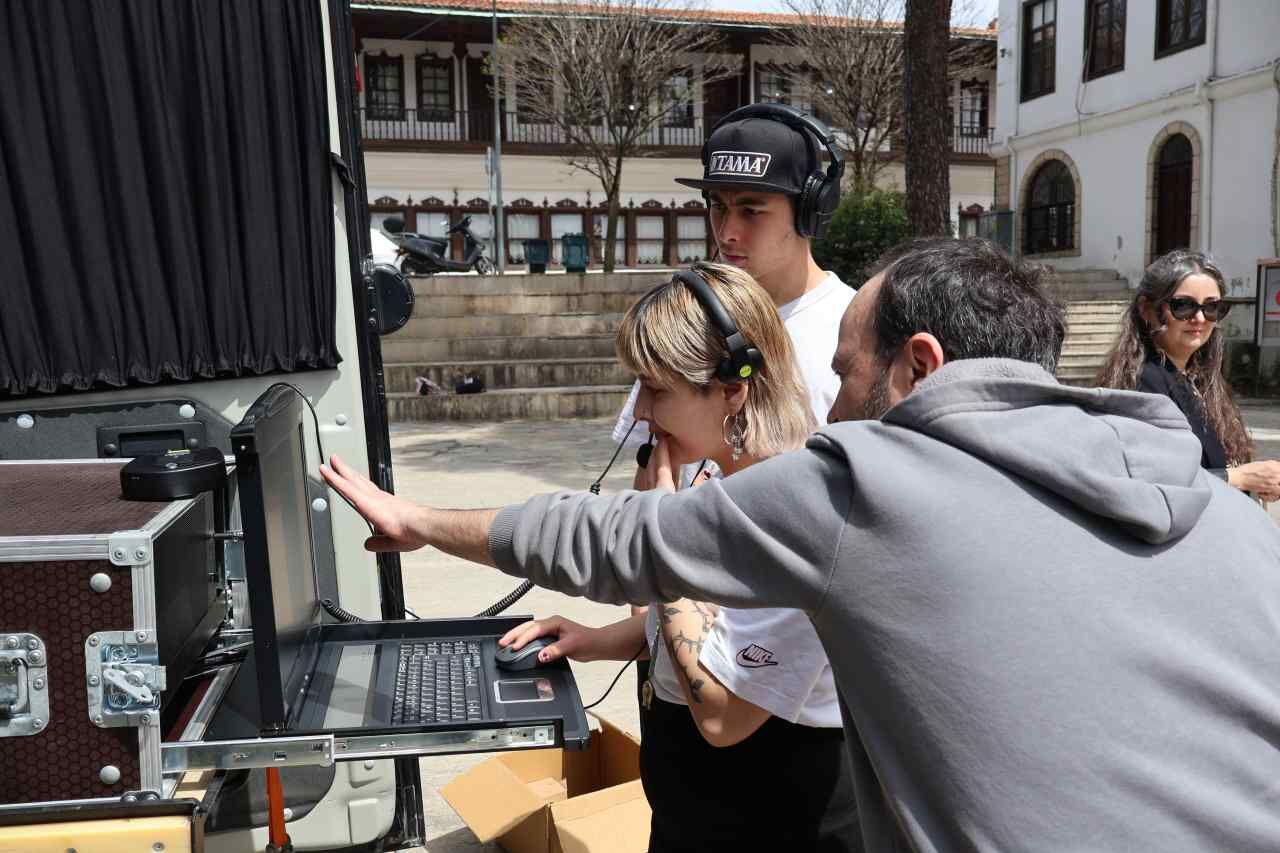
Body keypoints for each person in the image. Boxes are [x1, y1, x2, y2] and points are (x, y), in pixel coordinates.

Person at [322, 238, 1280, 851]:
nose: (837, 405)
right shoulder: (1215, 509)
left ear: (922, 365)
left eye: (848, 373)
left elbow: (611, 541)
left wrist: (417, 523)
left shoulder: (869, 490)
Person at [504, 262, 859, 851]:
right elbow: (713, 623)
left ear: (733, 389)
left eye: (657, 389)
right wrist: (603, 638)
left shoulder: (797, 520)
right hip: (692, 813)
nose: (640, 411)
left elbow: (723, 715)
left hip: (776, 820)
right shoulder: (718, 484)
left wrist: (663, 533)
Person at [611, 103, 855, 717]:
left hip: (784, 707)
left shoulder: (852, 342)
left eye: (752, 209)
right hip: (675, 676)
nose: (727, 231)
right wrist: (646, 619)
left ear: (808, 211)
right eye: (718, 207)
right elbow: (650, 474)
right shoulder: (697, 316)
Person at [1095, 249, 1280, 501]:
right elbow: (1149, 484)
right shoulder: (1144, 382)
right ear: (1147, 309)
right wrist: (1240, 478)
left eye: (1212, 307)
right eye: (1183, 306)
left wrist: (1256, 482)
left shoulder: (1198, 377)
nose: (1200, 318)